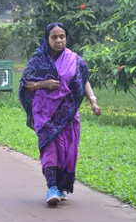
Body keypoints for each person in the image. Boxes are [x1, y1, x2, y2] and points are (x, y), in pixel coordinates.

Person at [19, 22, 102, 206]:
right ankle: (52, 187)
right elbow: (26, 84)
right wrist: (44, 84)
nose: (58, 40)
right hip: (44, 113)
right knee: (49, 149)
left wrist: (93, 102)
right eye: (54, 37)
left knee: (68, 153)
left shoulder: (75, 60)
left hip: (68, 115)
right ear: (47, 39)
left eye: (62, 36)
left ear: (66, 38)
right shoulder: (38, 60)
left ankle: (62, 186)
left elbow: (84, 81)